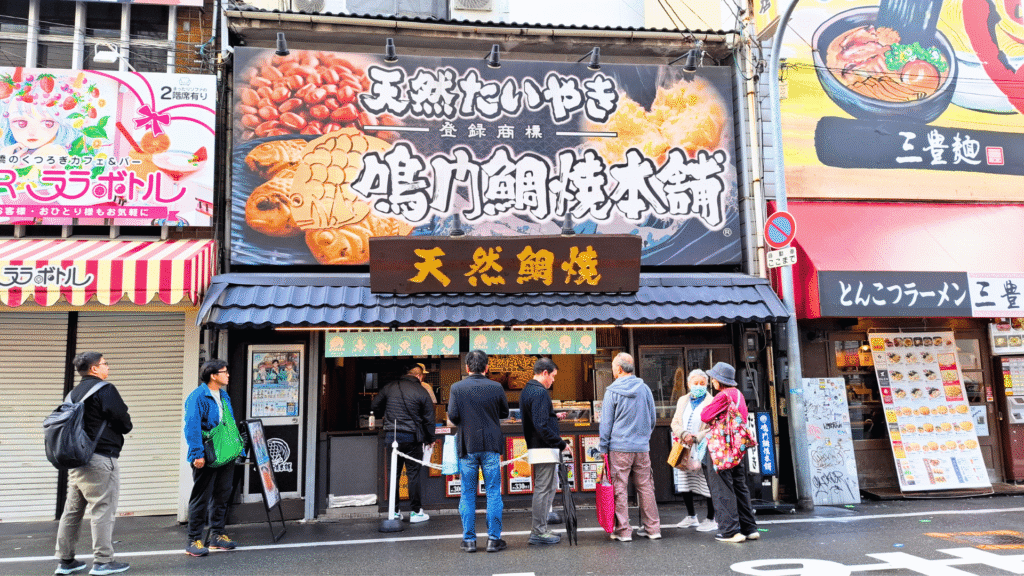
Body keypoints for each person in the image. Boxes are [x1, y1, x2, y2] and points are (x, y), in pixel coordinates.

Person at [55, 352, 133, 576]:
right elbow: (124, 421)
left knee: (72, 511)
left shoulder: (73, 393)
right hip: (101, 459)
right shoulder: (105, 389)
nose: (107, 367)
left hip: (78, 459)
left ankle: (66, 561)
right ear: (94, 369)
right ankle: (103, 561)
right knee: (102, 510)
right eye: (104, 364)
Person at [447, 350, 510, 553]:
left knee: (467, 493)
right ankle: (493, 539)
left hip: (468, 445)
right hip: (491, 445)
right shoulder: (496, 387)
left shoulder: (457, 388)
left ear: (467, 368)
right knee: (493, 492)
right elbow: (504, 413)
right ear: (487, 367)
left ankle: (469, 540)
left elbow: (454, 417)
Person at [183, 359, 243, 557]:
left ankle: (217, 534)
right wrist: (197, 454)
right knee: (201, 497)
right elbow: (191, 427)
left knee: (222, 495)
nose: (228, 375)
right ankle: (194, 539)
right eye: (224, 372)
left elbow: (230, 425)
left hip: (226, 453)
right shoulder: (197, 397)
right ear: (213, 376)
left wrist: (238, 448)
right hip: (207, 454)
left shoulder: (223, 395)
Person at [599, 352, 661, 542]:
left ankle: (624, 531)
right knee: (646, 487)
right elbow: (652, 419)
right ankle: (653, 529)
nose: (612, 370)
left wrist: (603, 447)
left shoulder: (612, 391)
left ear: (618, 368)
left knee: (619, 488)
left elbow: (606, 423)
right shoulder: (645, 389)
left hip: (619, 448)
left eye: (612, 367)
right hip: (642, 448)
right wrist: (643, 437)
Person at [700, 361, 758, 543]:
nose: (711, 382)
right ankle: (749, 528)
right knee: (740, 486)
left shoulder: (723, 396)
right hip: (736, 449)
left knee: (722, 488)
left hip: (721, 449)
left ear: (718, 380)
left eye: (713, 379)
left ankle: (730, 531)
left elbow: (705, 415)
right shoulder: (739, 395)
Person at [371, 364, 436, 523]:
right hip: (413, 438)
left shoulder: (390, 387)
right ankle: (415, 512)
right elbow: (429, 418)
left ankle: (394, 511)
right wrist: (430, 439)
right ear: (419, 376)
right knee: (413, 475)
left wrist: (386, 414)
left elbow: (374, 406)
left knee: (394, 473)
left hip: (392, 438)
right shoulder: (421, 390)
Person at [520, 358, 566, 546]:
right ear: (545, 373)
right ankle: (539, 531)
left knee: (545, 487)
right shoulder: (540, 392)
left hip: (537, 446)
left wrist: (553, 416)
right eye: (553, 376)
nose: (553, 381)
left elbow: (538, 418)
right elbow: (540, 424)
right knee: (543, 488)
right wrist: (560, 443)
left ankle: (542, 528)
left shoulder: (528, 389)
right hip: (544, 447)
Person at [671, 369, 717, 533]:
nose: (698, 386)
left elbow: (714, 426)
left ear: (707, 385)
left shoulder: (712, 401)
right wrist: (683, 434)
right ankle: (691, 516)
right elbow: (675, 421)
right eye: (695, 383)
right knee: (685, 482)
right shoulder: (683, 400)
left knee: (706, 483)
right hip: (684, 446)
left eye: (702, 383)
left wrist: (697, 436)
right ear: (689, 384)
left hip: (702, 446)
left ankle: (711, 518)